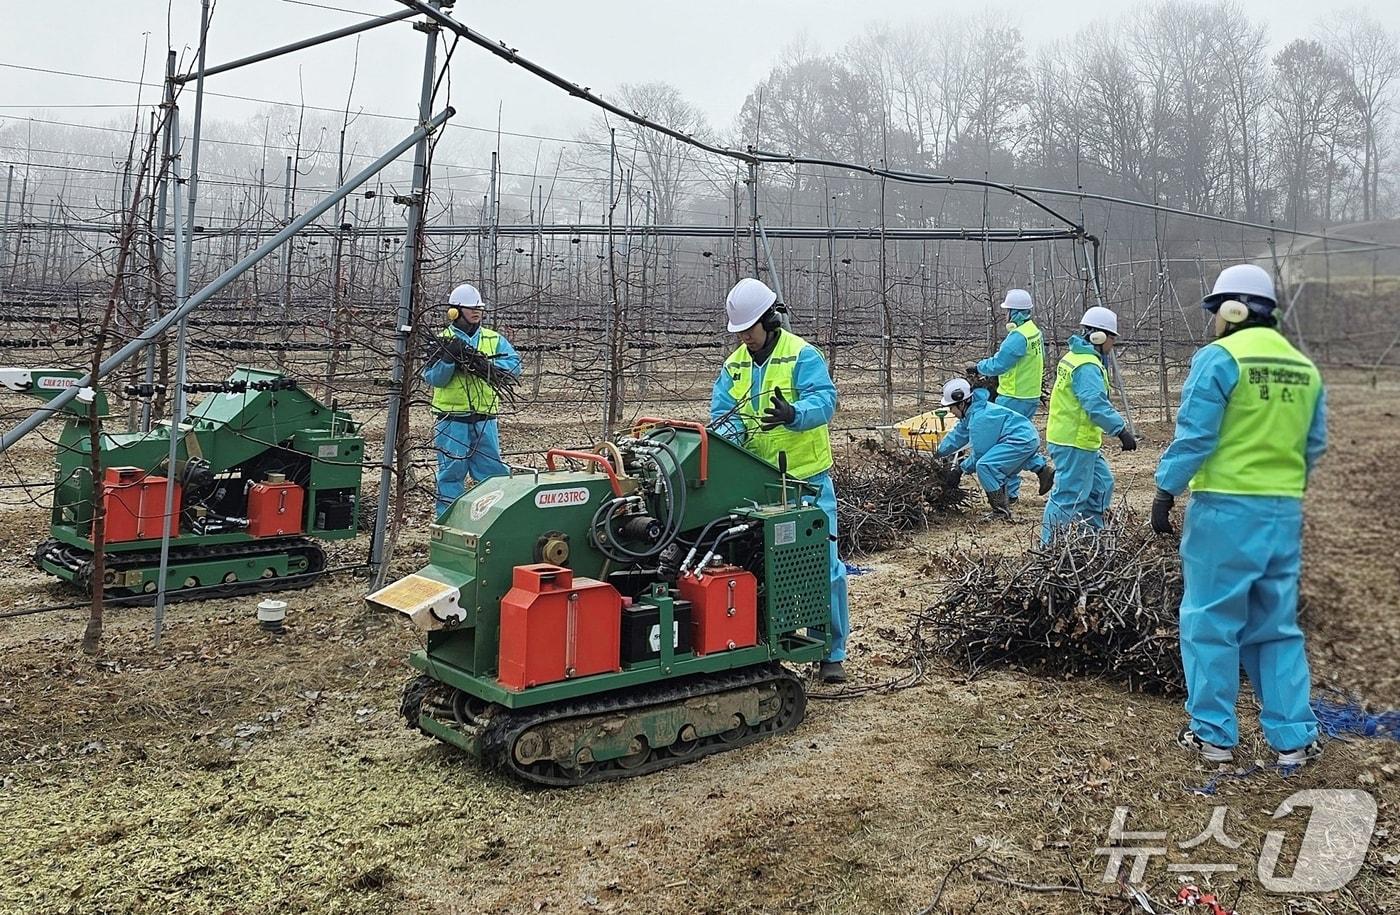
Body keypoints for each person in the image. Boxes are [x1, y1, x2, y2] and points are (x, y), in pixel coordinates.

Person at [1152, 264, 1327, 768]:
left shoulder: (1219, 359)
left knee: (1211, 620)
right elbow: (1312, 445)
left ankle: (1213, 737)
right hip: (1283, 513)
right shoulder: (1303, 367)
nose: (1213, 322)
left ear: (1231, 310)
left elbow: (1196, 436)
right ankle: (1293, 740)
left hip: (1225, 512)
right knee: (1275, 625)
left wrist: (1165, 490)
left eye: (1215, 312)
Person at [710, 277, 850, 684]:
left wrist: (794, 413)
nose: (744, 340)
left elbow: (825, 401)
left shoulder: (802, 355)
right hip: (757, 483)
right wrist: (730, 440)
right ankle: (776, 640)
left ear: (768, 321)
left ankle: (832, 652)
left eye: (748, 331)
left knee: (824, 567)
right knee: (765, 565)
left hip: (805, 481)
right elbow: (723, 413)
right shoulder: (735, 364)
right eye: (738, 333)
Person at [422, 282, 522, 518]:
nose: (477, 312)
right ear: (455, 311)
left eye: (479, 308)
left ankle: (494, 519)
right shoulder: (441, 342)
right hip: (451, 420)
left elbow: (514, 366)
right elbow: (434, 378)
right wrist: (448, 361)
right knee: (450, 473)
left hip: (485, 419)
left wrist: (485, 365)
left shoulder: (493, 339)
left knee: (492, 473)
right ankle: (447, 521)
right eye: (470, 308)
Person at [1039, 306, 1136, 544]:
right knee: (1068, 496)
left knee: (1101, 486)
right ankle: (1048, 550)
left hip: (1081, 440)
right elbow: (1094, 404)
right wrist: (1120, 430)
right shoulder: (1086, 366)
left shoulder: (1077, 358)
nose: (1113, 345)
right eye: (1112, 338)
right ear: (1099, 337)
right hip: (1073, 441)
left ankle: (1091, 541)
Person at [933, 378, 1054, 519]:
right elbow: (958, 435)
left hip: (1020, 440)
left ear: (961, 403)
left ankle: (1000, 511)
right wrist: (937, 453)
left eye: (951, 407)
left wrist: (960, 469)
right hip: (1025, 436)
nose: (950, 411)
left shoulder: (980, 419)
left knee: (985, 466)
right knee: (996, 461)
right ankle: (1043, 470)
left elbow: (980, 454)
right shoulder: (973, 412)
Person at [973, 288, 1045, 501]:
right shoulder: (1034, 332)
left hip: (1014, 396)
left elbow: (999, 364)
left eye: (1007, 310)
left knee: (1005, 444)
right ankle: (1041, 469)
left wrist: (978, 367)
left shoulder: (1017, 337)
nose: (1005, 315)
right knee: (1019, 440)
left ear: (1014, 312)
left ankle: (1009, 492)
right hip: (1029, 395)